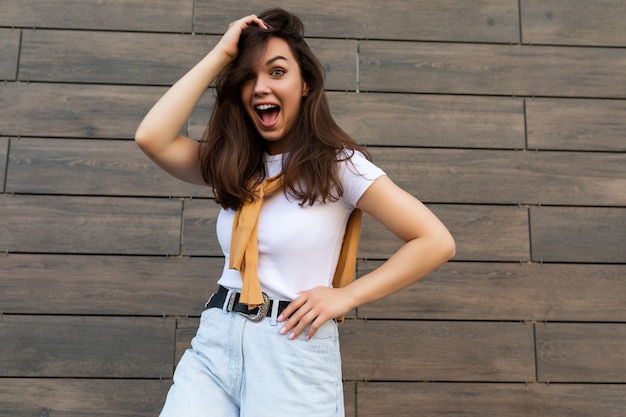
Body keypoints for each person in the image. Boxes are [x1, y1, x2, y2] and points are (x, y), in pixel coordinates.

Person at [135, 8, 455, 417]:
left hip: (291, 347)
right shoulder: (235, 163)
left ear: (305, 84)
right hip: (217, 343)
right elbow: (152, 136)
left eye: (277, 72)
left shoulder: (339, 165)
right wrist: (220, 53)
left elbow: (435, 240)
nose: (260, 87)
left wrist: (347, 296)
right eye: (248, 77)